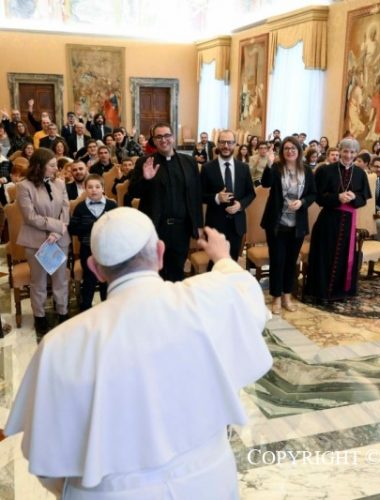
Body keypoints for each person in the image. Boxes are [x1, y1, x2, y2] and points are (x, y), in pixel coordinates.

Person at [4, 207, 272, 499]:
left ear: (95, 269)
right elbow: (246, 293)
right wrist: (222, 257)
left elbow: (46, 462)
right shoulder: (206, 298)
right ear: (160, 253)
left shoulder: (59, 345)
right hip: (209, 483)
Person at [128, 122, 203, 282]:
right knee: (156, 274)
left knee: (177, 273)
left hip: (181, 229)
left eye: (167, 135)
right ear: (154, 141)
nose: (163, 140)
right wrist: (146, 179)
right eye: (159, 137)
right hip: (156, 228)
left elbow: (196, 195)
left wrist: (198, 225)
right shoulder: (144, 162)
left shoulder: (189, 162)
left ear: (173, 137)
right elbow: (132, 193)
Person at [304, 138, 371, 303]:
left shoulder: (360, 173)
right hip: (328, 220)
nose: (348, 155)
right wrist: (337, 198)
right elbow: (318, 197)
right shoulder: (326, 171)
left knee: (344, 257)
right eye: (345, 151)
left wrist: (354, 197)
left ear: (356, 154)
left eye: (352, 152)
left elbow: (363, 198)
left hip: (348, 222)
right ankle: (321, 292)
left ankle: (341, 292)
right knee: (324, 256)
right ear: (340, 151)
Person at [15, 148, 70, 337]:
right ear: (39, 166)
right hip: (36, 241)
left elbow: (65, 209)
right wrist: (57, 226)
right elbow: (30, 217)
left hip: (60, 239)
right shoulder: (24, 186)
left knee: (60, 279)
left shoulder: (60, 183)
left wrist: (58, 231)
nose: (56, 169)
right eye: (52, 165)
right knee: (38, 282)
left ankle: (63, 312)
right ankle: (40, 317)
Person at [260, 136, 317, 314]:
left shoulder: (306, 170)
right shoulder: (277, 168)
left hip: (297, 224)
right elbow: (265, 183)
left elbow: (313, 194)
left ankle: (287, 295)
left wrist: (302, 202)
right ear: (282, 152)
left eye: (293, 148)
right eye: (286, 148)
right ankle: (276, 297)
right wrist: (269, 164)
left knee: (291, 262)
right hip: (277, 223)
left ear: (299, 151)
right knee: (277, 261)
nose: (290, 151)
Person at [201, 130, 255, 262]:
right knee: (215, 264)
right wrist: (216, 198)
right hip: (215, 225)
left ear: (235, 144)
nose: (226, 146)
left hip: (237, 225)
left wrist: (240, 205)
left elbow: (251, 193)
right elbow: (199, 195)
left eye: (229, 142)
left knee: (232, 263)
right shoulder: (207, 168)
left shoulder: (243, 167)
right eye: (223, 142)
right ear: (218, 144)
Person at [69, 174, 117, 310]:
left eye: (97, 187)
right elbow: (72, 229)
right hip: (87, 249)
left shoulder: (112, 205)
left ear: (103, 189)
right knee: (89, 278)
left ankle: (107, 307)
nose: (94, 190)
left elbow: (118, 226)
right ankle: (86, 308)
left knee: (105, 279)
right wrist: (92, 225)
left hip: (107, 249)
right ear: (85, 189)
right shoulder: (80, 208)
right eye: (90, 187)